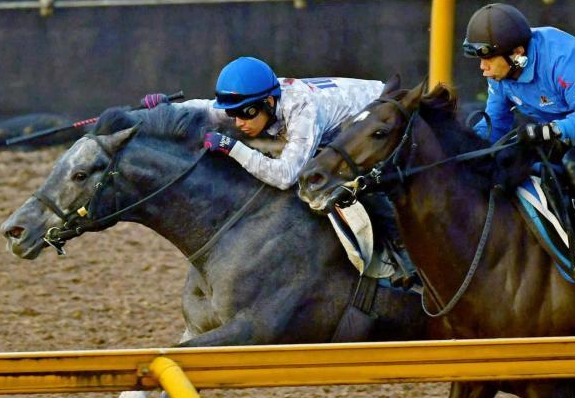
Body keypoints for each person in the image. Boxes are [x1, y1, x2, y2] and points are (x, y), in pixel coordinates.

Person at [142, 56, 417, 286]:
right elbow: (206, 109)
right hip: (346, 130)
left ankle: (403, 256)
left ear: (270, 103)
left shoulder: (303, 110)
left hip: (387, 125)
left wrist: (233, 147)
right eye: (234, 114)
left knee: (350, 184)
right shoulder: (257, 100)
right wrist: (167, 109)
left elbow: (285, 176)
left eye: (246, 113)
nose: (239, 123)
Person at [463, 3, 575, 285]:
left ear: (517, 53)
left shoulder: (562, 56)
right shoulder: (501, 75)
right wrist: (464, 150)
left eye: (489, 59)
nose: (483, 69)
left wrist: (550, 130)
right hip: (562, 127)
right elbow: (495, 126)